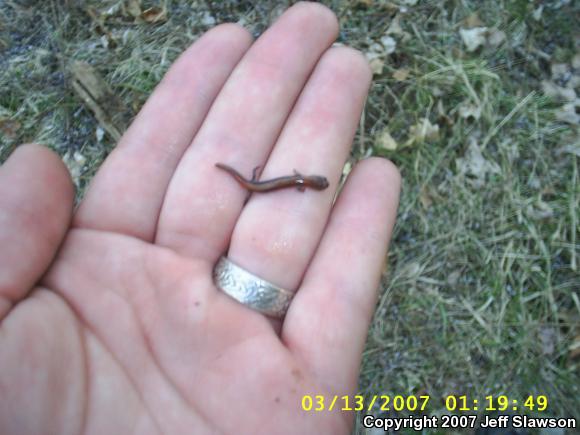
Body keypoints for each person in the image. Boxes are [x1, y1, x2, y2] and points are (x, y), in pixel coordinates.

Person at [0, 2, 400, 434]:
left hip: (261, 182)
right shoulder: (302, 183)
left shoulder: (302, 180)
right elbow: (295, 182)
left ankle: (245, 178)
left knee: (256, 182)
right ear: (314, 183)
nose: (314, 182)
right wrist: (276, 183)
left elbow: (294, 181)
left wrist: (271, 181)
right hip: (261, 182)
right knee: (255, 182)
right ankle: (243, 178)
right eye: (317, 183)